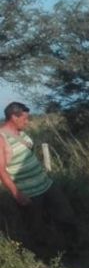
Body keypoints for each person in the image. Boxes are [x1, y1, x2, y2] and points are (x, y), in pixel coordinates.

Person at [0, 102, 77, 251]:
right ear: (13, 117)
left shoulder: (21, 133)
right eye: (24, 119)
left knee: (66, 215)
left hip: (46, 184)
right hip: (28, 192)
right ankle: (46, 259)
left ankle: (74, 248)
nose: (27, 122)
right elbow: (1, 171)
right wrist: (17, 194)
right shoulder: (1, 139)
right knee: (36, 228)